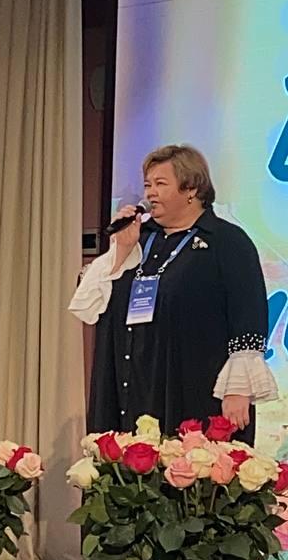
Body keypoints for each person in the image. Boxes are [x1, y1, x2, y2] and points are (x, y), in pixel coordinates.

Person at [70, 144, 277, 443]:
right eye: (147, 185)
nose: (150, 193)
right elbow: (91, 306)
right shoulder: (138, 238)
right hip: (132, 385)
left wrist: (238, 390)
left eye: (160, 184)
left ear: (191, 189)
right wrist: (121, 250)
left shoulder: (226, 241)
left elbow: (248, 315)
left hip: (192, 388)